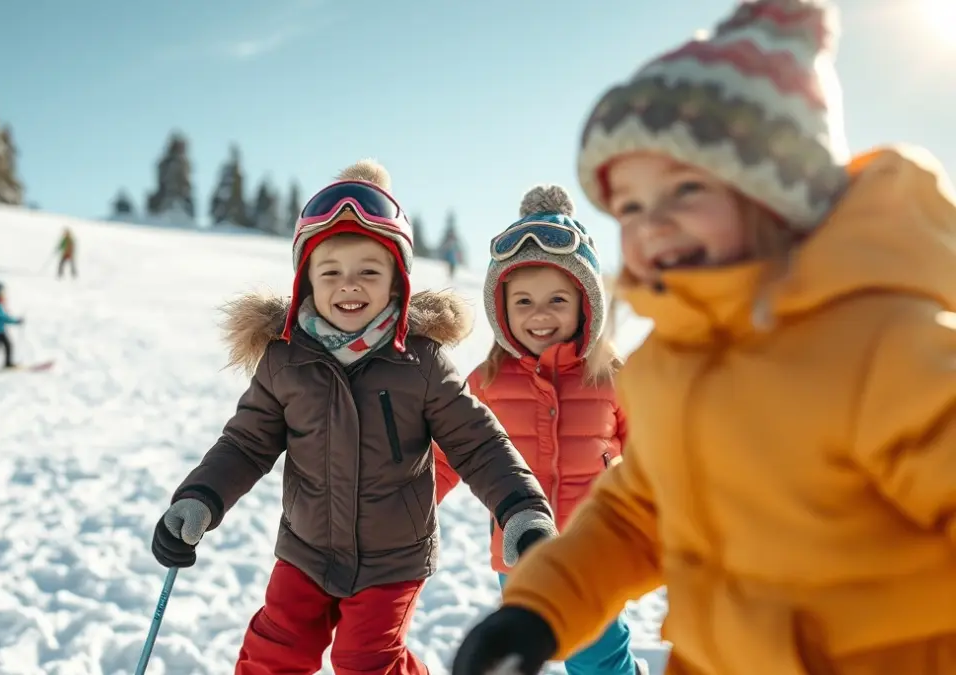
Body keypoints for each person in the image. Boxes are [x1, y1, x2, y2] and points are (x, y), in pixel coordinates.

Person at [451, 1, 956, 674]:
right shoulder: (675, 367)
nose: (652, 223)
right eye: (630, 205)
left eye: (685, 188)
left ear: (776, 194)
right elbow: (636, 516)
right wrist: (541, 606)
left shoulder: (883, 345)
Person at [149, 159, 557, 675]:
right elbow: (245, 444)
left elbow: (478, 443)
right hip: (305, 551)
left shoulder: (421, 363)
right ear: (306, 281)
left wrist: (520, 507)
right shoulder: (285, 361)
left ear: (396, 282)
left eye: (369, 270)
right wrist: (199, 498)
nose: (349, 286)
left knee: (365, 661)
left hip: (393, 559)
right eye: (331, 272)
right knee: (274, 650)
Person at [433, 185, 642, 675]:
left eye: (556, 299)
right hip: (518, 554)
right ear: (501, 307)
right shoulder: (485, 382)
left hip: (594, 554)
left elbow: (655, 454)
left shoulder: (613, 377)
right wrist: (404, 503)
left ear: (585, 303)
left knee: (598, 657)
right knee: (521, 652)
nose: (540, 314)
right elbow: (446, 456)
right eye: (523, 300)